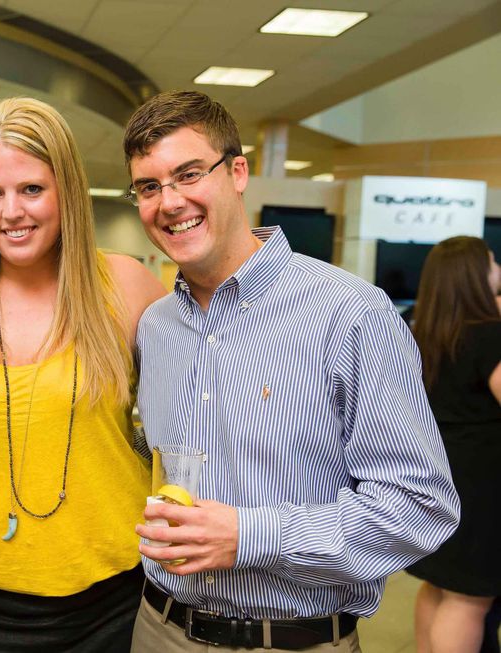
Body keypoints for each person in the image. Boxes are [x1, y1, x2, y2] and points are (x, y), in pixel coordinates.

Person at [123, 90, 460, 651]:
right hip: (160, 627)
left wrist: (251, 536)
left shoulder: (350, 313)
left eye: (188, 174)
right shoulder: (156, 326)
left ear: (237, 172)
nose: (170, 201)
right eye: (149, 186)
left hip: (292, 639)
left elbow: (420, 505)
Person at [0, 97, 167, 651]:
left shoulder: (124, 288)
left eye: (31, 189)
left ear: (66, 190)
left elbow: (200, 417)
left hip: (113, 594)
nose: (10, 212)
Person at [406, 236, 501, 653]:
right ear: (476, 274)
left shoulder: (420, 329)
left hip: (439, 474)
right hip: (484, 485)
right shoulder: (489, 335)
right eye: (493, 260)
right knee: (470, 599)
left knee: (438, 585)